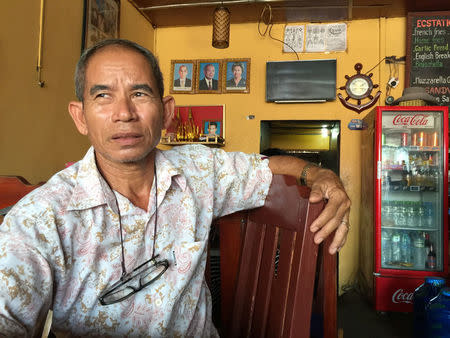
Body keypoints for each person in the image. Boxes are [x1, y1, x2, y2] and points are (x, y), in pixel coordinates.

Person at [0, 39, 351, 336]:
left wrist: (321, 176)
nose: (124, 113)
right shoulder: (40, 218)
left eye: (139, 93)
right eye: (103, 96)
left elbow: (270, 166)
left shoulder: (198, 170)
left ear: (166, 112)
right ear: (80, 116)